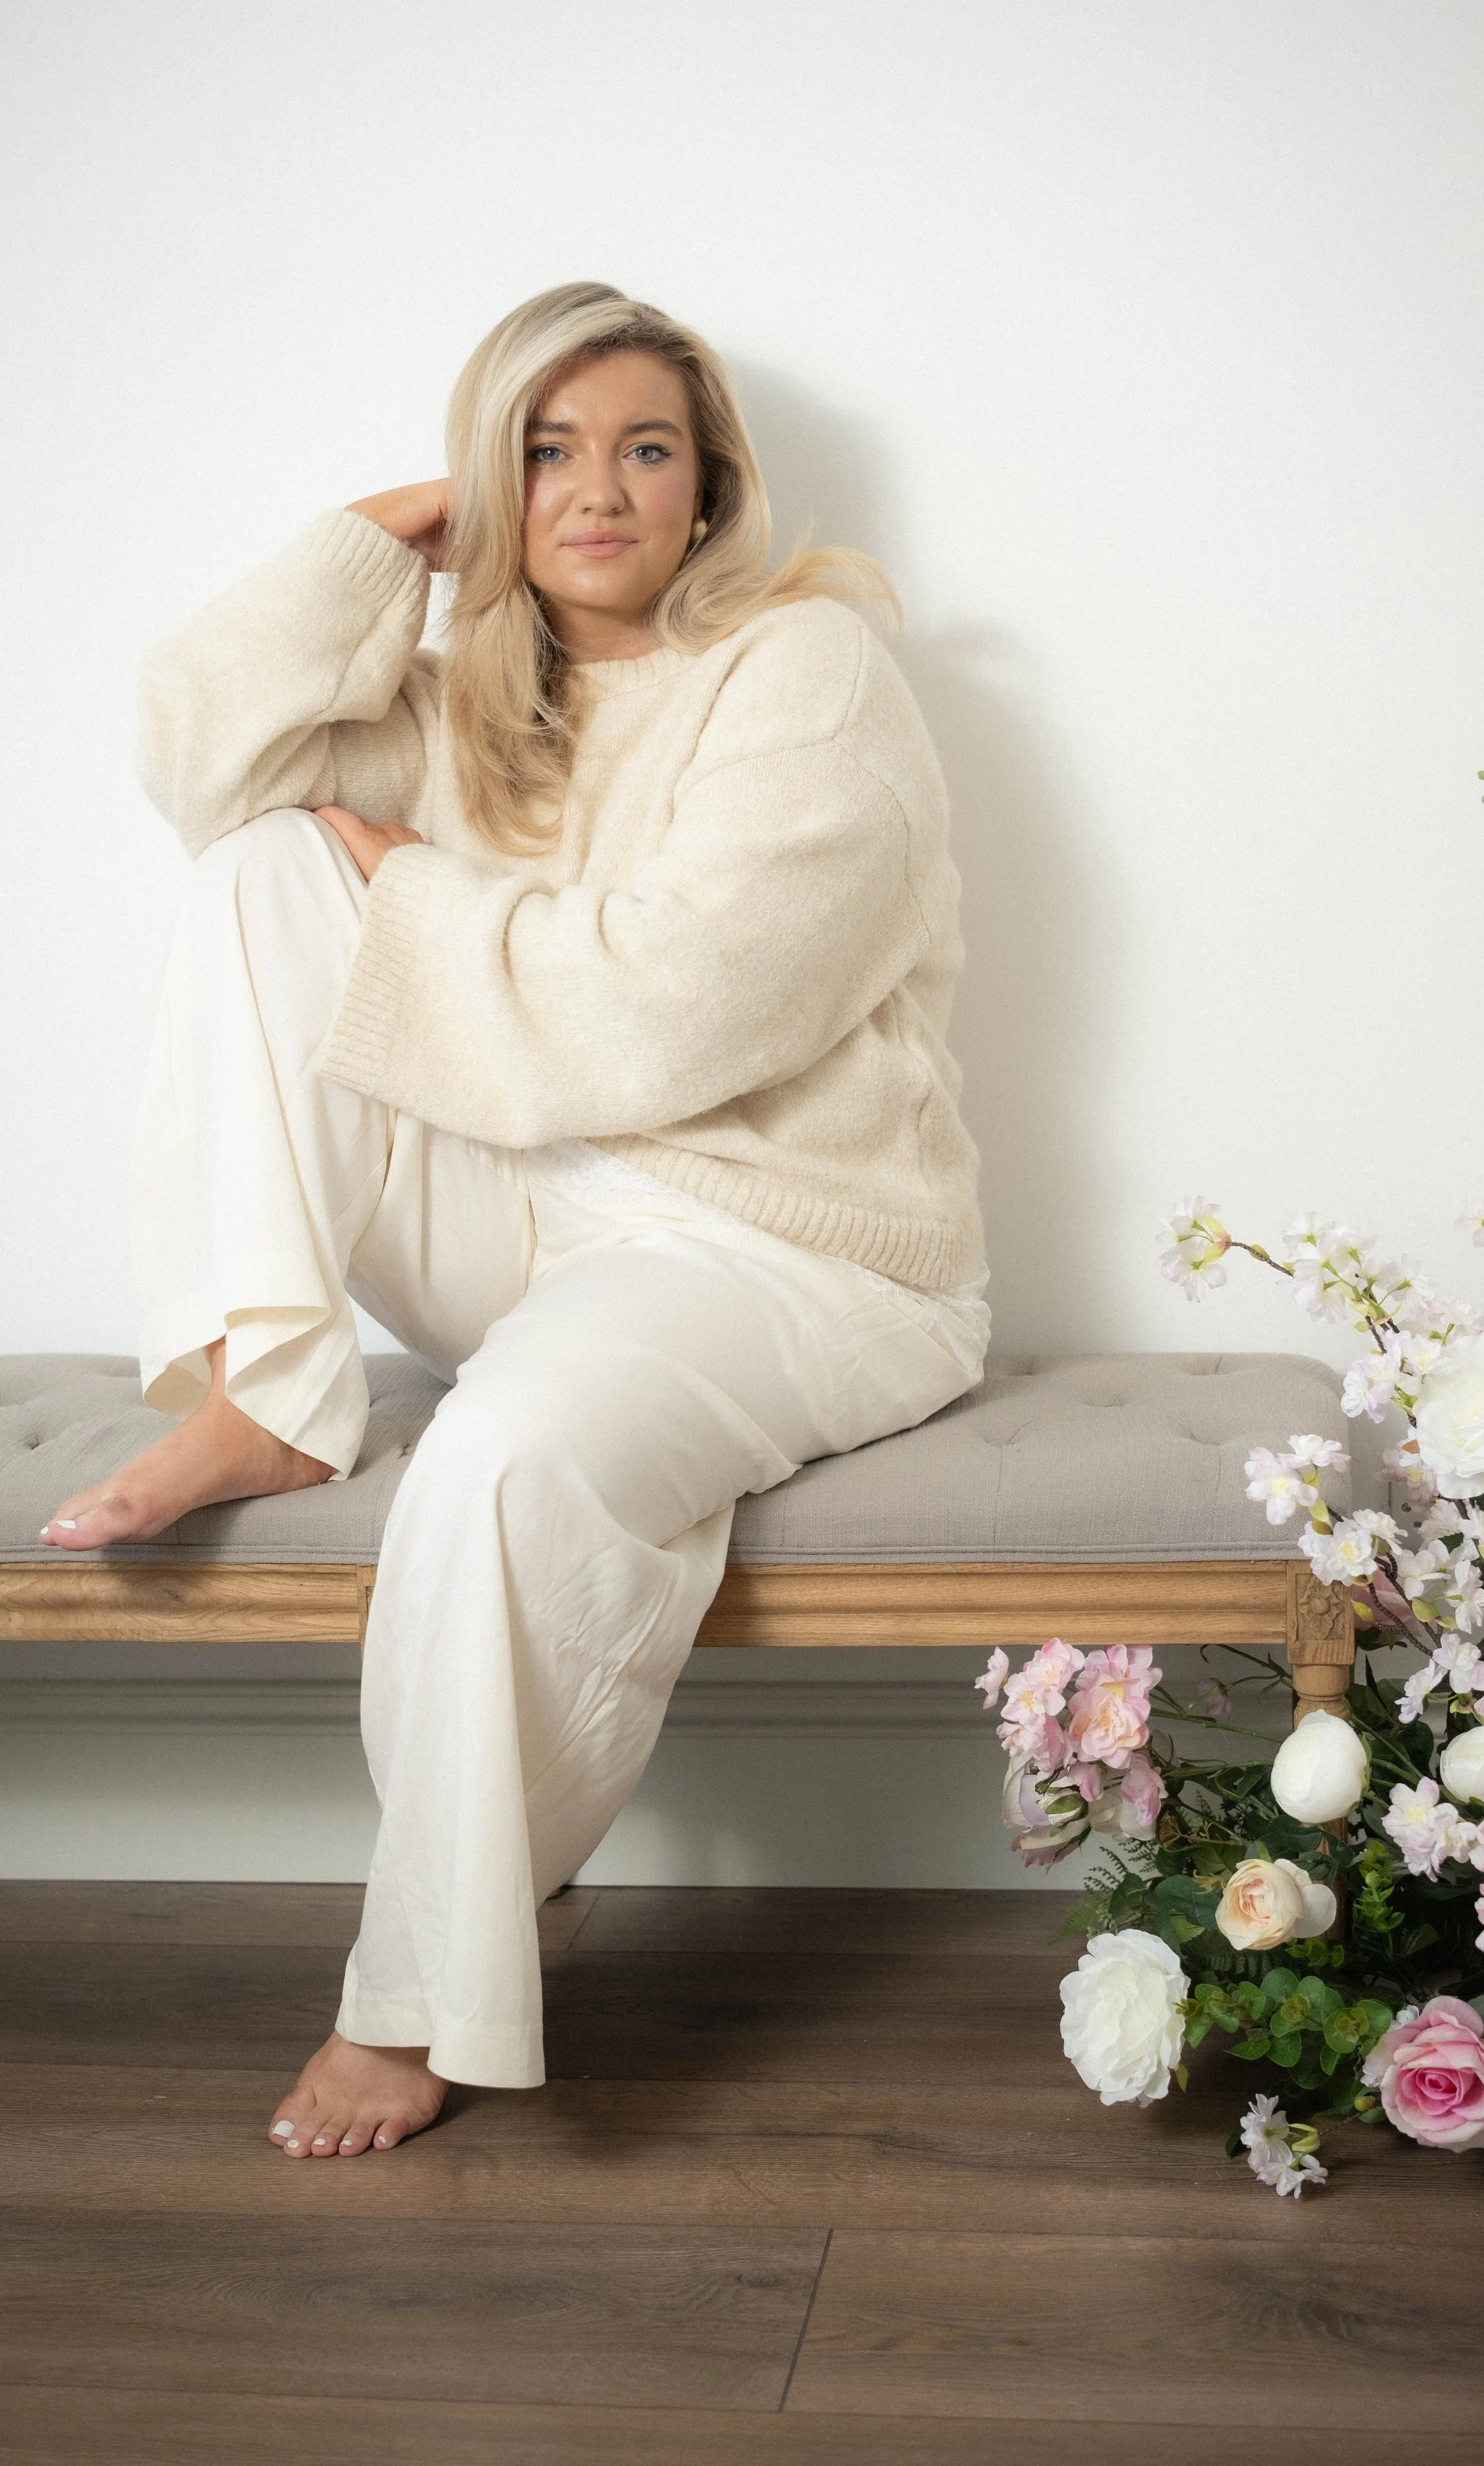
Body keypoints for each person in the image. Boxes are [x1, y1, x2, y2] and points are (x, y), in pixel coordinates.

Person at [41, 281, 989, 2158]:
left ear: (710, 484)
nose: (596, 489)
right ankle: (275, 1383)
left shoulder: (805, 671)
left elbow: (669, 1006)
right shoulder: (478, 690)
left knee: (496, 1462)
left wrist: (410, 886)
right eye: (543, 450)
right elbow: (197, 769)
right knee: (258, 867)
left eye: (644, 446)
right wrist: (379, 538)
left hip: (785, 1245)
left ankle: (422, 1998)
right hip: (530, 1206)